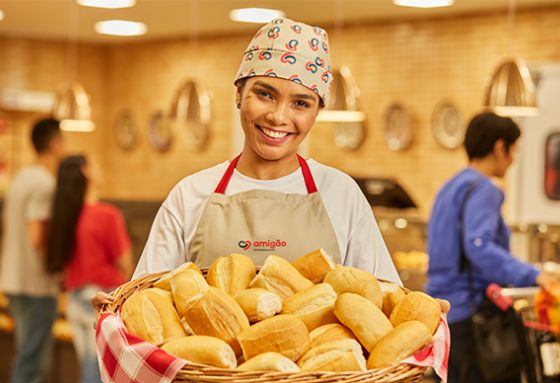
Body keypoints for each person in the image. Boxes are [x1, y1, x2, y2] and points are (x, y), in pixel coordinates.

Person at [93, 17, 401, 309]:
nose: (279, 117)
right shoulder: (190, 195)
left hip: (320, 368)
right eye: (265, 95)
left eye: (300, 103)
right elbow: (147, 303)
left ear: (317, 111)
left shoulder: (342, 195)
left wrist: (425, 317)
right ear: (239, 93)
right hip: (207, 367)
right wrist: (116, 311)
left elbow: (382, 299)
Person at [427, 112, 560, 383]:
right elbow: (480, 246)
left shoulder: (449, 187)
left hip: (444, 314)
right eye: (514, 150)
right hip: (473, 318)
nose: (513, 159)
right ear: (501, 147)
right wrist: (533, 275)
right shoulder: (484, 189)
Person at [45, 155, 133, 383]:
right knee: (100, 377)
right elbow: (125, 264)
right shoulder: (107, 215)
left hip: (75, 301)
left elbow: (62, 270)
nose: (99, 168)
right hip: (103, 300)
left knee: (89, 371)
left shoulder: (64, 217)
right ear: (86, 171)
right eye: (95, 164)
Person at [0, 118, 64, 383]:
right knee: (32, 363)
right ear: (54, 143)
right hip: (35, 285)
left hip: (14, 280)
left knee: (27, 356)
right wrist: (59, 270)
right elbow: (37, 235)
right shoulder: (44, 184)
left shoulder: (21, 178)